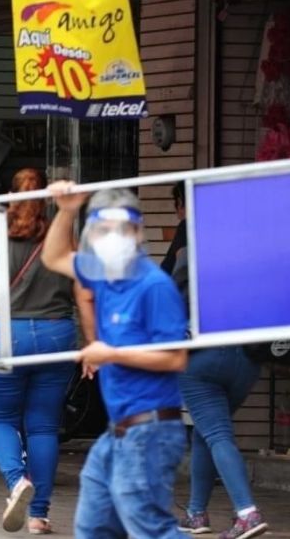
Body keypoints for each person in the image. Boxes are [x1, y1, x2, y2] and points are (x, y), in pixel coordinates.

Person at [0, 168, 94, 534]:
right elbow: (83, 293)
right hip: (58, 335)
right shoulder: (64, 234)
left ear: (10, 195)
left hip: (7, 337)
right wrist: (92, 344)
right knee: (42, 426)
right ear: (45, 199)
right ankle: (39, 515)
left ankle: (16, 481)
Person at [42, 184, 190, 539]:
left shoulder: (154, 286)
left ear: (137, 232)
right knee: (93, 526)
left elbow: (175, 357)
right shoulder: (103, 273)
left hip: (150, 430)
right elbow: (53, 257)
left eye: (120, 229)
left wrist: (110, 354)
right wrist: (66, 210)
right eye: (102, 230)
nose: (112, 238)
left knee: (149, 527)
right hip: (119, 431)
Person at [167, 187, 269, 539]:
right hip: (247, 358)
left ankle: (247, 513)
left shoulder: (192, 250)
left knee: (215, 433)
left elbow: (173, 297)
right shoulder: (258, 257)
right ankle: (197, 513)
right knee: (206, 433)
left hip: (201, 358)